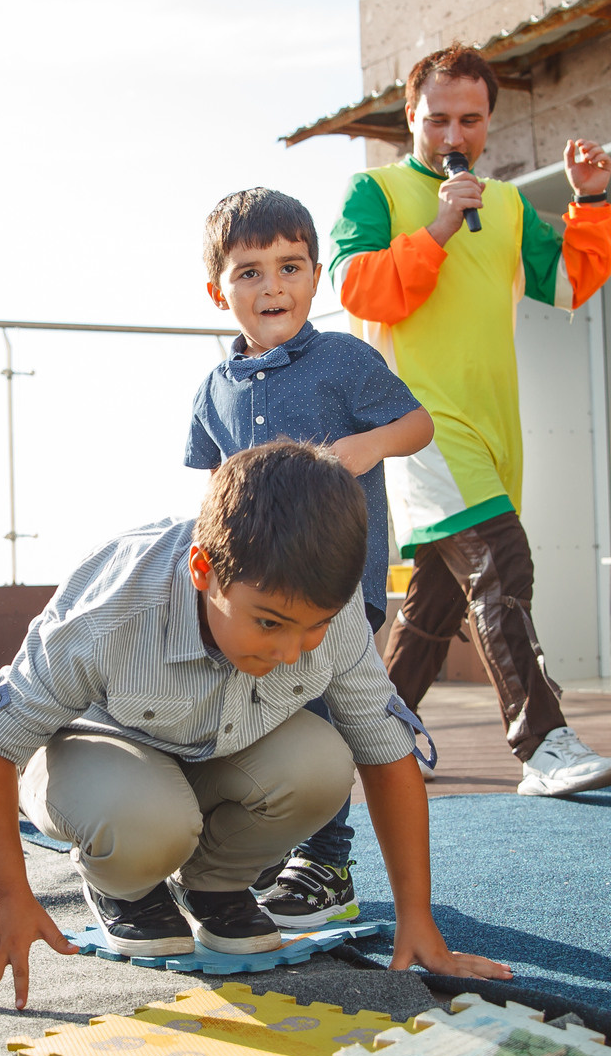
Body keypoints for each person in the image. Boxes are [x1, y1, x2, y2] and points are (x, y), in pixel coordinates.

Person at [0, 440, 510, 1012]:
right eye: (269, 623)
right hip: (94, 752)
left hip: (214, 754)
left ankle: (212, 884)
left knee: (323, 764)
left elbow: (385, 752)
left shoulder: (328, 608)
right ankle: (124, 886)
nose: (291, 651)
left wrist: (417, 919)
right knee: (149, 824)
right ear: (203, 570)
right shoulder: (117, 607)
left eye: (313, 627)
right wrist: (5, 892)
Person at [330, 44, 611, 799]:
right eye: (438, 119)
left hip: (496, 429)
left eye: (470, 119)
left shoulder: (507, 205)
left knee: (436, 601)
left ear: (490, 120)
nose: (453, 134)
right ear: (411, 116)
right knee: (501, 564)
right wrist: (436, 228)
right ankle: (542, 742)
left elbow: (569, 284)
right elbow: (358, 290)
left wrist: (591, 201)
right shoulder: (376, 190)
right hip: (419, 424)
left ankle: (370, 740)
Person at [186, 187, 434, 931]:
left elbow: (418, 424)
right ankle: (268, 849)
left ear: (317, 277)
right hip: (256, 599)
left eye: (290, 267)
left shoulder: (344, 359)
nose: (273, 287)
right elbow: (215, 487)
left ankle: (328, 864)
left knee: (327, 717)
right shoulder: (213, 389)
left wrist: (370, 445)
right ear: (218, 291)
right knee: (261, 719)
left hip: (338, 586)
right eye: (250, 272)